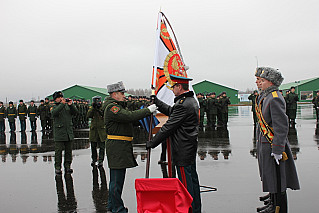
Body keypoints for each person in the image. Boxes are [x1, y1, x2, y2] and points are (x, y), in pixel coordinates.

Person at [146, 75, 201, 213]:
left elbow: (168, 127)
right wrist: (157, 102)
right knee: (192, 179)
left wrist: (152, 142)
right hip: (188, 147)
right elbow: (172, 111)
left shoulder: (183, 104)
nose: (172, 90)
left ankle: (188, 209)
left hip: (182, 149)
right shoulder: (189, 101)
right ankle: (195, 208)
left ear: (180, 87)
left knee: (185, 183)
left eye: (174, 87)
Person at [104, 81, 156, 213]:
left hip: (120, 146)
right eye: (121, 93)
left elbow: (128, 121)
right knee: (116, 181)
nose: (124, 96)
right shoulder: (112, 108)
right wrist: (147, 110)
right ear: (114, 94)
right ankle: (117, 208)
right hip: (117, 147)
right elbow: (128, 116)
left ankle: (112, 205)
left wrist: (142, 119)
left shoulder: (117, 106)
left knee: (116, 180)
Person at [255, 67, 300, 213]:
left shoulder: (274, 98)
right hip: (265, 143)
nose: (259, 83)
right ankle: (272, 204)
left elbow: (281, 126)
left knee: (278, 179)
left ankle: (278, 208)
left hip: (273, 145)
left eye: (262, 80)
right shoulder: (266, 96)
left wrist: (278, 149)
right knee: (271, 176)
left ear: (271, 82)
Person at [51, 91, 79, 175]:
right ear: (55, 99)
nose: (61, 98)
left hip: (68, 132)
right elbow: (54, 113)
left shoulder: (67, 106)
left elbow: (76, 113)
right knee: (58, 152)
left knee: (68, 151)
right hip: (59, 133)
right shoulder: (54, 107)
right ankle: (58, 167)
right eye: (59, 97)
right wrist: (62, 104)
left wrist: (71, 105)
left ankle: (67, 166)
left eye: (61, 97)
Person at [87, 96, 107, 167]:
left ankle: (101, 160)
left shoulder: (103, 107)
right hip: (94, 130)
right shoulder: (92, 108)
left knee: (102, 146)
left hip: (101, 130)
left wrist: (99, 109)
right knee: (93, 146)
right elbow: (88, 115)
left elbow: (104, 114)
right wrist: (93, 108)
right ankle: (94, 159)